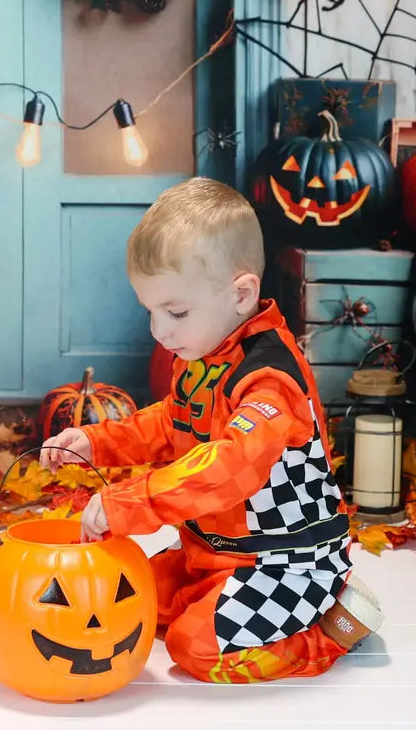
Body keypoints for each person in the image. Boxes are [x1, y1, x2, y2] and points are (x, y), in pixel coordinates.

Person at [40, 177, 383, 684]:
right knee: (130, 596)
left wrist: (130, 502)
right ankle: (211, 596)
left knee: (195, 650)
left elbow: (227, 467)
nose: (160, 331)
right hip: (211, 551)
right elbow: (171, 420)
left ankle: (328, 629)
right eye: (151, 312)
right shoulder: (204, 353)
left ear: (241, 295)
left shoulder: (271, 382)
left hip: (281, 562)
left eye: (176, 312)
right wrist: (98, 440)